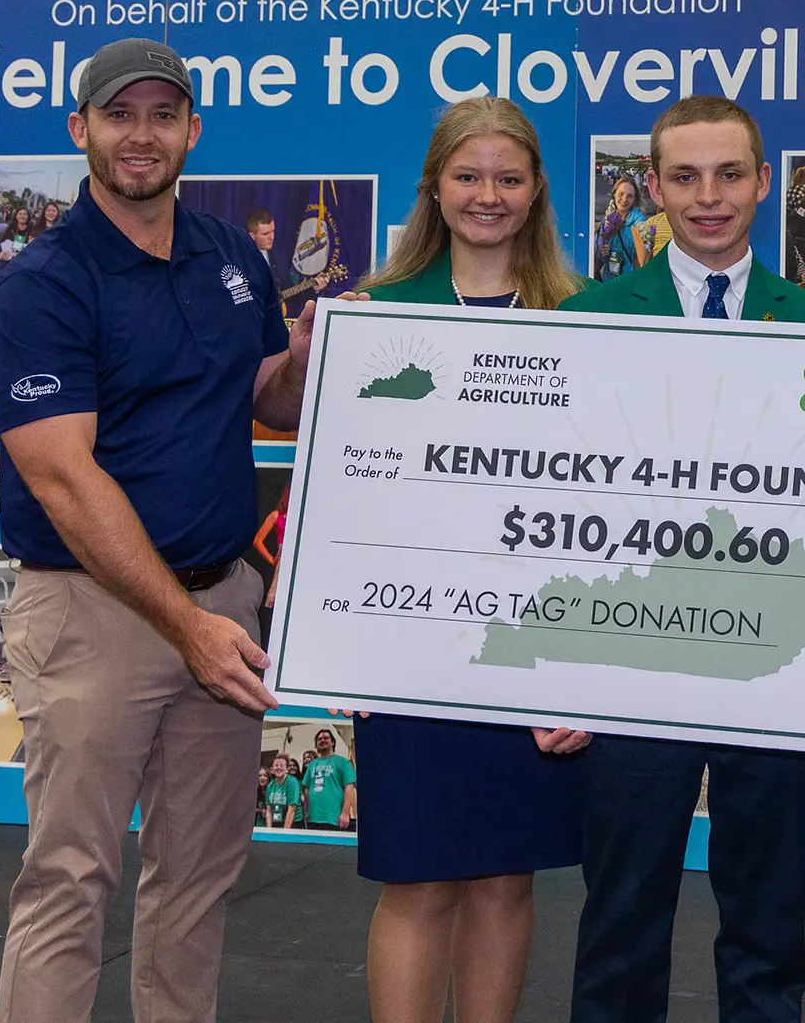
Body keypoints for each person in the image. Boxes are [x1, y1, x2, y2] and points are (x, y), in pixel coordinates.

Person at [0, 36, 309, 1023]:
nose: (142, 135)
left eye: (163, 116)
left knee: (197, 884)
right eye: (120, 115)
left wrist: (304, 356)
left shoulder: (231, 256)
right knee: (69, 882)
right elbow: (63, 477)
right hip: (94, 615)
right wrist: (184, 622)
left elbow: (266, 402)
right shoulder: (44, 281)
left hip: (223, 601)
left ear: (193, 131)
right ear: (81, 130)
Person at [561, 94, 805, 1023]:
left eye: (730, 174)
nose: (709, 197)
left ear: (766, 182)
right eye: (684, 176)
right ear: (652, 188)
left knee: (766, 912)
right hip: (635, 651)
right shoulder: (594, 316)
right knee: (624, 909)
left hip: (771, 656)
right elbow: (557, 498)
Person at [350, 94, 592, 1023]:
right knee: (419, 882)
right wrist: (343, 634)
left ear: (535, 192)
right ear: (435, 188)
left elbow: (603, 505)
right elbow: (346, 495)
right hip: (408, 646)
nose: (487, 194)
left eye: (508, 177)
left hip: (534, 648)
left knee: (503, 881)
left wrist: (584, 663)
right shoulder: (375, 312)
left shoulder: (584, 318)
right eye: (468, 175)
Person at [298, 727, 358, 831]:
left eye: (326, 738)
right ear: (316, 744)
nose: (322, 740)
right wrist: (306, 811)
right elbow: (306, 789)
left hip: (334, 818)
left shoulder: (343, 762)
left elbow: (349, 788)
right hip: (313, 818)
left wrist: (345, 813)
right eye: (319, 739)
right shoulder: (312, 764)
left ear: (333, 742)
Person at [596, 177, 649, 280]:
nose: (624, 199)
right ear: (614, 194)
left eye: (629, 196)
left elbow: (642, 257)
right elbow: (601, 259)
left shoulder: (639, 224)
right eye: (621, 194)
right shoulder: (606, 220)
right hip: (609, 279)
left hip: (629, 281)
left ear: (634, 199)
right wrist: (604, 253)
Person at [0, 206, 35, 287]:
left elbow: (32, 246)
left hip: (24, 260)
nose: (22, 216)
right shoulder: (10, 228)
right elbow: (3, 244)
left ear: (28, 216)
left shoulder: (32, 229)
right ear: (16, 216)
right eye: (20, 214)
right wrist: (2, 254)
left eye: (25, 214)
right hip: (9, 259)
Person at [259, 755, 301, 830]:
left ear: (287, 769)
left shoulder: (292, 782)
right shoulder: (270, 785)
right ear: (272, 769)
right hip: (277, 820)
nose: (278, 767)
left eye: (282, 765)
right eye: (276, 765)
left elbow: (291, 810)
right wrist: (269, 830)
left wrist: (284, 833)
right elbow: (268, 810)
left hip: (293, 822)